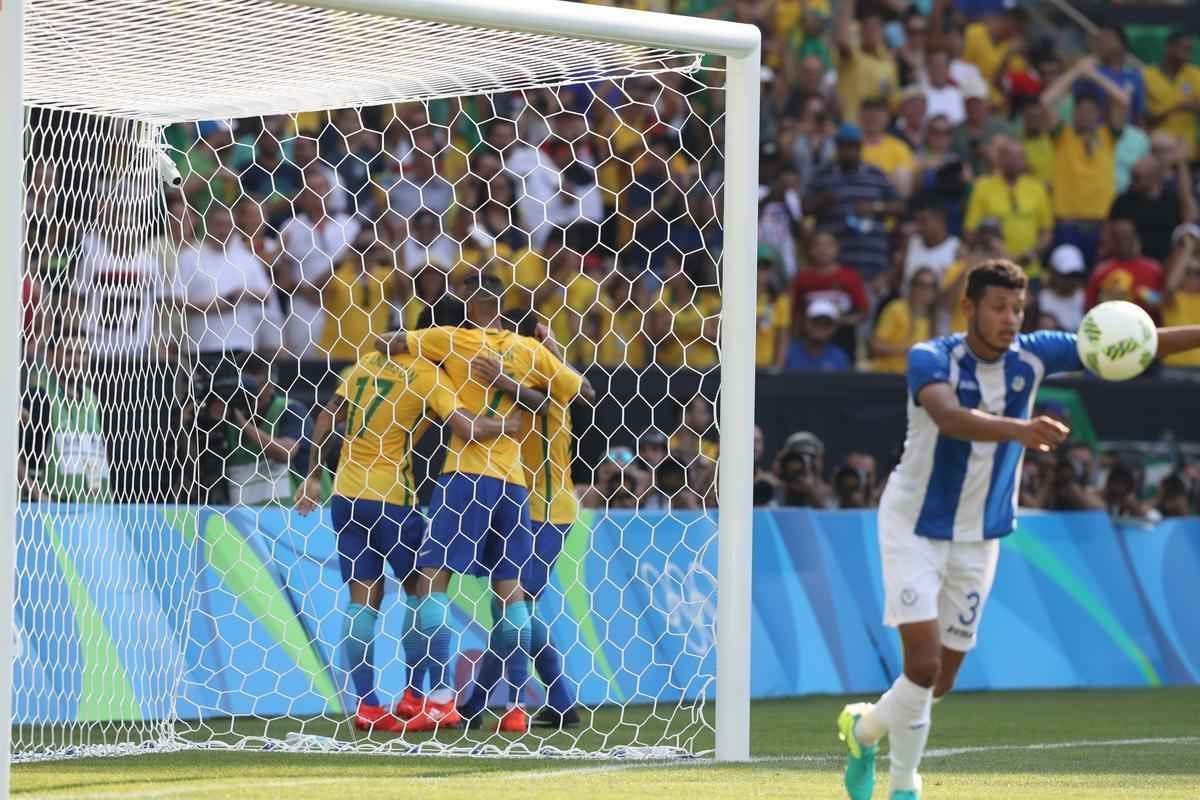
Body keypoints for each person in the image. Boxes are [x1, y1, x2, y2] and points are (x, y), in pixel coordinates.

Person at [836, 259, 1200, 800]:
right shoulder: (930, 358)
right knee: (923, 663)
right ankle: (904, 786)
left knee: (941, 679)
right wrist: (1019, 430)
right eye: (999, 308)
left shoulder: (1034, 354)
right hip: (914, 525)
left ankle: (864, 730)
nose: (1010, 319)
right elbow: (950, 418)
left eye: (1018, 309)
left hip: (980, 533)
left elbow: (1137, 344)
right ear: (969, 308)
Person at [377, 272, 594, 734]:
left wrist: (498, 375)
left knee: (458, 586)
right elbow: (576, 389)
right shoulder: (531, 360)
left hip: (540, 503)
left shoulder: (467, 347)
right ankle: (518, 704)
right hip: (519, 492)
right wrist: (541, 356)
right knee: (512, 603)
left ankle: (463, 699)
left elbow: (387, 343)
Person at [295, 304, 521, 733]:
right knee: (423, 591)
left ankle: (367, 705)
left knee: (362, 600)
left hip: (345, 495)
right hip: (392, 499)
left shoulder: (364, 363)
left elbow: (326, 415)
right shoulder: (427, 374)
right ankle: (426, 694)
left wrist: (310, 476)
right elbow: (467, 428)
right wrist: (505, 425)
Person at [457, 311, 586, 731]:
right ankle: (549, 703)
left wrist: (515, 375)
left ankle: (486, 703)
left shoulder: (541, 390)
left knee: (517, 608)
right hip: (519, 505)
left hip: (549, 509)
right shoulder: (522, 387)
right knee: (509, 608)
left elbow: (581, 390)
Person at [805, 124, 903, 289]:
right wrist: (822, 200)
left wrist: (874, 207)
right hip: (834, 266)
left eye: (853, 146)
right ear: (837, 147)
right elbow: (803, 207)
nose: (849, 151)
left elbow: (900, 207)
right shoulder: (823, 174)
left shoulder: (875, 174)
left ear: (860, 147)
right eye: (844, 146)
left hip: (871, 264)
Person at [20, 332, 111, 503]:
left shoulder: (92, 399)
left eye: (82, 353)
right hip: (55, 510)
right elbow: (12, 454)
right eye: (69, 353)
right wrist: (37, 495)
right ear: (51, 356)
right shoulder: (39, 396)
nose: (77, 360)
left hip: (96, 509)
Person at [963, 136, 1053, 276]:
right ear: (999, 159)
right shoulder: (983, 187)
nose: (1015, 161)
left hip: (1029, 270)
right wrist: (991, 244)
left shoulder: (1037, 188)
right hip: (995, 271)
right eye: (1010, 156)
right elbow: (970, 230)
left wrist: (1032, 253)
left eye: (1020, 157)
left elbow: (1046, 231)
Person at [1108, 150, 1196, 265]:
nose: (1133, 180)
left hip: (1167, 264)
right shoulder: (1123, 202)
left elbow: (1189, 217)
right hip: (1134, 263)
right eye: (1133, 175)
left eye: (1138, 176)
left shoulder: (1170, 200)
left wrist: (1181, 165)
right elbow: (1110, 236)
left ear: (1156, 175)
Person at [790, 231, 869, 358]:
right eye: (818, 245)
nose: (823, 250)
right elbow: (796, 313)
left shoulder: (850, 277)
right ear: (810, 250)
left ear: (837, 248)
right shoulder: (802, 278)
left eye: (828, 245)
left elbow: (863, 312)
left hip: (842, 340)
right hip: (809, 344)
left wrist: (839, 321)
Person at [1086, 219, 1165, 322]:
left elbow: (1166, 303)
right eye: (1118, 237)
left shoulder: (1154, 269)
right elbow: (1090, 308)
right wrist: (1107, 302)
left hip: (1147, 326)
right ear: (1111, 241)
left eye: (1126, 237)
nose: (1122, 242)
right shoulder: (1101, 272)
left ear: (1135, 238)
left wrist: (1147, 296)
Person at [1143, 31, 1200, 162]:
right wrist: (1174, 109)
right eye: (1183, 49)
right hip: (1156, 152)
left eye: (1189, 50)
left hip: (1188, 152)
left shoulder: (1196, 75)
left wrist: (1193, 106)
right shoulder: (1147, 76)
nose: (1187, 54)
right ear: (1168, 47)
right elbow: (1144, 118)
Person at [871, 268, 939, 374]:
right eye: (921, 284)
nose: (926, 290)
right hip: (886, 374)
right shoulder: (896, 309)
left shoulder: (935, 320)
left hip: (915, 379)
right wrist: (909, 349)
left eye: (931, 286)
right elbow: (876, 346)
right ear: (912, 287)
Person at [1162, 223, 1200, 368]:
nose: (1193, 278)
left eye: (1197, 273)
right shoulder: (1171, 297)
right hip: (1173, 369)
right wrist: (1189, 248)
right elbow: (1171, 286)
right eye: (1187, 272)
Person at [784, 298, 853, 371]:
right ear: (806, 323)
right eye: (815, 321)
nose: (820, 327)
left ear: (834, 327)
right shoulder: (788, 353)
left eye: (826, 323)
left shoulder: (840, 357)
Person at [756, 245, 792, 369]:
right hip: (736, 365)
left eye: (765, 266)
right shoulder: (734, 298)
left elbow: (782, 338)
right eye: (757, 265)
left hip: (766, 366)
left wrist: (777, 368)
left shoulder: (780, 301)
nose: (761, 271)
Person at [1038, 244, 1087, 331]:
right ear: (1053, 272)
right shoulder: (1040, 301)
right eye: (1066, 276)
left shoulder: (1086, 299)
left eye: (1075, 275)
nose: (1071, 280)